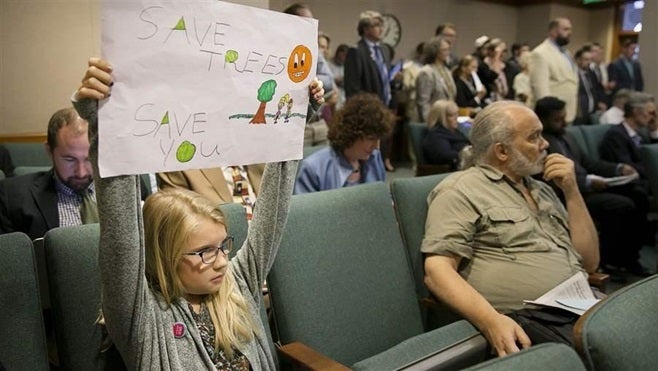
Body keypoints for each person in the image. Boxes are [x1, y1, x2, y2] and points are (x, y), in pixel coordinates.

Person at [73, 57, 323, 370]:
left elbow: (271, 214)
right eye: (204, 252)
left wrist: (295, 118)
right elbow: (120, 240)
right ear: (165, 256)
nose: (221, 261)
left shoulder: (236, 280)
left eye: (222, 246)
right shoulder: (142, 314)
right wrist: (104, 123)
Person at [422, 101, 599, 355]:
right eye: (534, 136)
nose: (545, 144)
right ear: (502, 151)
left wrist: (571, 192)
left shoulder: (543, 189)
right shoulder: (461, 190)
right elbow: (437, 271)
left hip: (581, 303)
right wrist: (491, 321)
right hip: (531, 321)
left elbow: (591, 263)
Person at [536, 96, 649, 275]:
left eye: (564, 117)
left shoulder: (566, 136)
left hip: (588, 184)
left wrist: (618, 168)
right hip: (569, 193)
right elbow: (550, 177)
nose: (564, 122)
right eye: (557, 120)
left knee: (638, 194)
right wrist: (588, 182)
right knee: (622, 205)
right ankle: (609, 259)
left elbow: (589, 163)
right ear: (542, 120)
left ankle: (629, 258)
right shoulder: (541, 144)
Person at [0, 107, 97, 240]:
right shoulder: (11, 196)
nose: (81, 172)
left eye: (89, 159)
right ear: (49, 151)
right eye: (69, 159)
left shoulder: (127, 192)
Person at [295, 93, 393, 194]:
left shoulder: (374, 158)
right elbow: (305, 209)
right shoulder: (313, 168)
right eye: (371, 139)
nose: (376, 146)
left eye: (379, 139)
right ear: (352, 133)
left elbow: (381, 198)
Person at [344, 10, 401, 172]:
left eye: (381, 25)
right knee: (368, 155)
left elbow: (384, 75)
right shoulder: (356, 51)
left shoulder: (384, 50)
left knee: (382, 148)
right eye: (377, 25)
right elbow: (353, 89)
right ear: (365, 29)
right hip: (367, 111)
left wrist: (395, 79)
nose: (381, 28)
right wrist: (365, 112)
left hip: (386, 105)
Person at [529, 18, 578, 123]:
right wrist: (550, 117)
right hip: (551, 119)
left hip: (567, 114)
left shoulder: (567, 53)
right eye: (566, 29)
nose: (570, 33)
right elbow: (540, 90)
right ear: (553, 31)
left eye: (570, 29)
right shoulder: (540, 53)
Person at [600, 92, 658, 180]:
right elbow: (629, 167)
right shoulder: (615, 135)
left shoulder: (642, 134)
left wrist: (654, 131)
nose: (654, 118)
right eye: (651, 113)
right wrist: (654, 170)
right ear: (635, 111)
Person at [415, 36, 456, 122]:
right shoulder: (426, 72)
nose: (447, 53)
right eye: (444, 50)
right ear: (435, 52)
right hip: (435, 121)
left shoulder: (447, 71)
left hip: (448, 120)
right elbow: (423, 103)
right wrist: (428, 123)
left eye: (448, 49)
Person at [422, 100, 470, 170]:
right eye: (451, 115)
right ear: (441, 118)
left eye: (457, 114)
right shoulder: (436, 135)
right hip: (453, 172)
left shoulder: (454, 131)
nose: (456, 117)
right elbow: (446, 156)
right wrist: (467, 153)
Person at [574, 47, 606, 126]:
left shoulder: (591, 73)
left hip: (592, 112)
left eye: (590, 60)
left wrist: (599, 102)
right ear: (578, 60)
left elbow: (596, 89)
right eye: (586, 59)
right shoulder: (573, 74)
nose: (589, 62)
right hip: (579, 113)